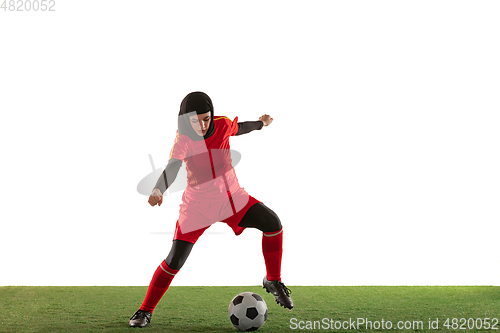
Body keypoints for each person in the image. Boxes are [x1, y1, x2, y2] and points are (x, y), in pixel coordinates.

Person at [129, 91, 293, 328]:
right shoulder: (184, 140)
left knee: (273, 224)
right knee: (174, 260)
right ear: (185, 120)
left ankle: (273, 280)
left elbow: (242, 127)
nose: (202, 125)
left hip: (232, 200)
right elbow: (173, 167)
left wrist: (262, 123)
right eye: (195, 121)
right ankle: (145, 310)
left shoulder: (222, 125)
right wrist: (158, 190)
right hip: (198, 208)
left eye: (206, 119)